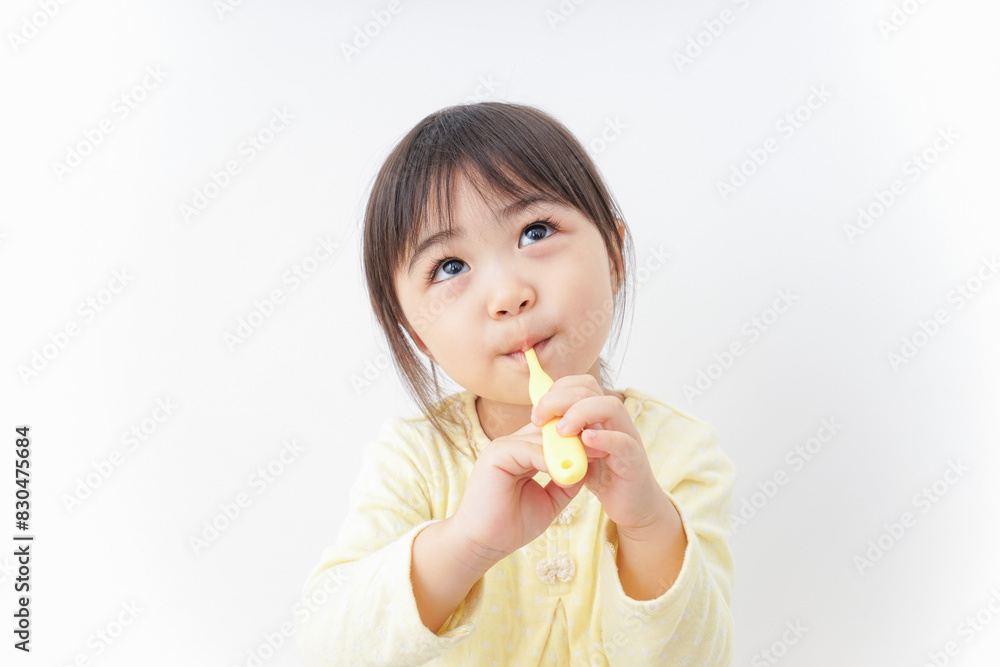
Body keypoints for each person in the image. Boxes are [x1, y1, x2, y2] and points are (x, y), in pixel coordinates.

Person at [295, 102, 736, 666]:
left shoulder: (679, 451)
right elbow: (328, 649)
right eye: (450, 267)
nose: (508, 295)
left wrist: (647, 525)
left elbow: (699, 656)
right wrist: (466, 543)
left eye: (535, 231)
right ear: (418, 334)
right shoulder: (413, 459)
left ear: (614, 257)